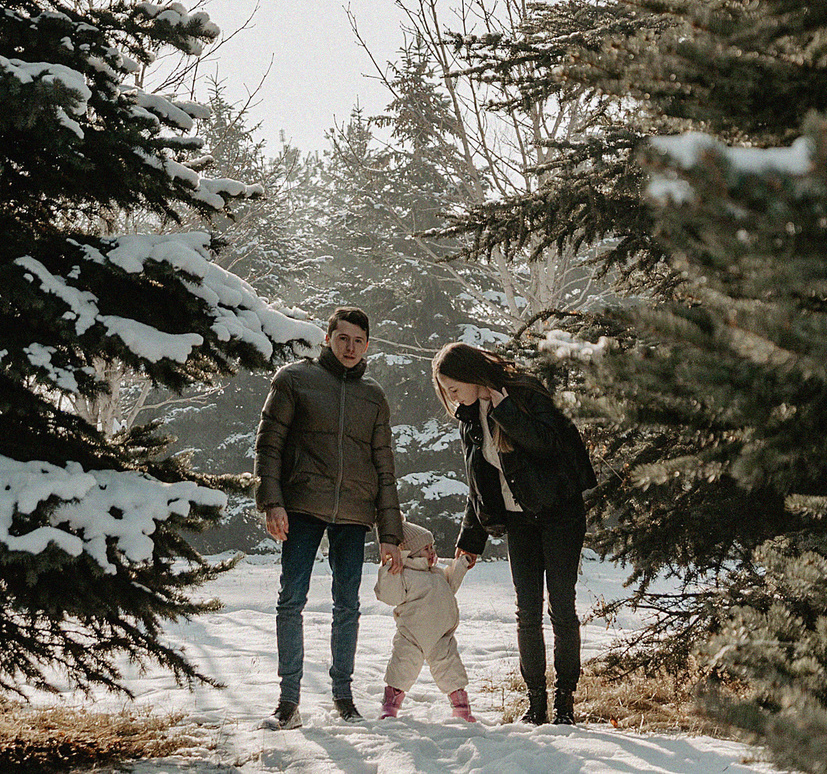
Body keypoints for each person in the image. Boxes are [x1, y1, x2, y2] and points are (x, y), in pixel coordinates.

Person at [253, 306, 404, 729]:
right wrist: (272, 501)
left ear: (368, 345)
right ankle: (288, 702)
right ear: (327, 338)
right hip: (300, 506)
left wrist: (389, 533)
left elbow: (384, 466)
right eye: (343, 338)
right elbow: (269, 446)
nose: (350, 347)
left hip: (354, 514)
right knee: (291, 601)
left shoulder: (373, 395)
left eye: (359, 340)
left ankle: (343, 696)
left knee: (348, 607)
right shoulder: (294, 380)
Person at [432, 341, 596, 726]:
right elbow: (479, 485)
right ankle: (535, 704)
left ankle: (565, 703)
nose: (452, 398)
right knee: (527, 611)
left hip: (559, 514)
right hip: (518, 520)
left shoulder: (524, 393)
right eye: (446, 392)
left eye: (454, 388)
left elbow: (548, 445)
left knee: (562, 605)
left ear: (472, 375)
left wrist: (504, 409)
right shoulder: (470, 420)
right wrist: (470, 541)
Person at [372, 520, 477, 721]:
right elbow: (390, 596)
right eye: (425, 549)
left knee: (451, 669)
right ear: (408, 553)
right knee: (402, 667)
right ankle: (390, 705)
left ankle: (461, 706)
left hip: (441, 636)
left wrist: (461, 565)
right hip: (412, 634)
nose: (431, 552)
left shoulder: (437, 573)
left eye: (431, 547)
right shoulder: (403, 574)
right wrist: (389, 570)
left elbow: (451, 585)